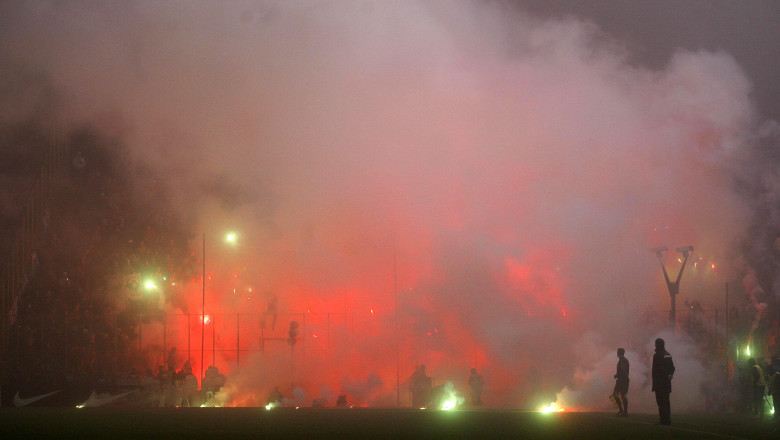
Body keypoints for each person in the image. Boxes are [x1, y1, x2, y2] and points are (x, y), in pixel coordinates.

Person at [651, 338, 675, 425]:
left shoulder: (657, 355)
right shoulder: (668, 354)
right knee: (666, 401)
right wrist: (670, 374)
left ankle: (663, 420)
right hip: (667, 382)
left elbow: (659, 369)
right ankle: (667, 420)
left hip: (659, 382)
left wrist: (666, 374)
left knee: (661, 402)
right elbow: (672, 367)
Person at [611, 348, 629, 417]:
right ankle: (623, 411)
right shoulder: (622, 360)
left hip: (622, 380)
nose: (616, 353)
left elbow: (623, 371)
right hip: (622, 380)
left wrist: (617, 375)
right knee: (618, 395)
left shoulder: (623, 361)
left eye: (617, 352)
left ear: (619, 353)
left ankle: (623, 412)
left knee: (621, 395)